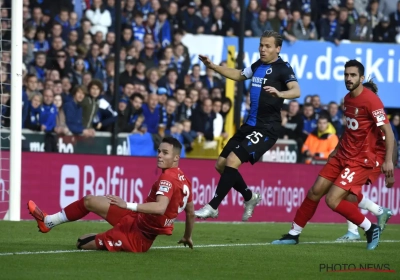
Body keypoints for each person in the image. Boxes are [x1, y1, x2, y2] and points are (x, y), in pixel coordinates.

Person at [271, 60, 395, 250]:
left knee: (333, 199)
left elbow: (388, 131)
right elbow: (350, 130)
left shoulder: (371, 101)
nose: (348, 78)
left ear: (361, 78)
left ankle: (370, 229)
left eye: (353, 75)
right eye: (346, 75)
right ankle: (293, 234)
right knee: (315, 192)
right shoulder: (347, 99)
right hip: (342, 155)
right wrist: (336, 150)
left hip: (359, 160)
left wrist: (388, 161)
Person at [194, 30, 301, 221]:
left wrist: (280, 93)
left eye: (267, 46)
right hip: (249, 125)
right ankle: (249, 197)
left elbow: (296, 90)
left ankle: (212, 206)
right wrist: (213, 67)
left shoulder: (283, 68)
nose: (262, 49)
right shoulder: (258, 64)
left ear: (278, 48)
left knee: (232, 161)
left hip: (267, 128)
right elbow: (239, 74)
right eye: (261, 45)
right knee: (221, 165)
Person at [27, 136, 195, 252]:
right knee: (89, 200)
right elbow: (191, 212)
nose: (159, 155)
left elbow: (159, 207)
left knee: (81, 242)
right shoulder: (185, 180)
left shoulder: (168, 178)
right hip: (136, 218)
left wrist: (126, 204)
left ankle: (110, 235)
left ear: (176, 158)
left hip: (137, 238)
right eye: (159, 151)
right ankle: (48, 222)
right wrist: (187, 236)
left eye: (164, 153)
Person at [336, 79, 396, 241]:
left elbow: (391, 140)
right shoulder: (358, 111)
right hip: (358, 158)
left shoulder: (376, 114)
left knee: (347, 191)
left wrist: (390, 171)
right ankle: (378, 211)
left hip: (373, 160)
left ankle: (354, 231)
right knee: (346, 192)